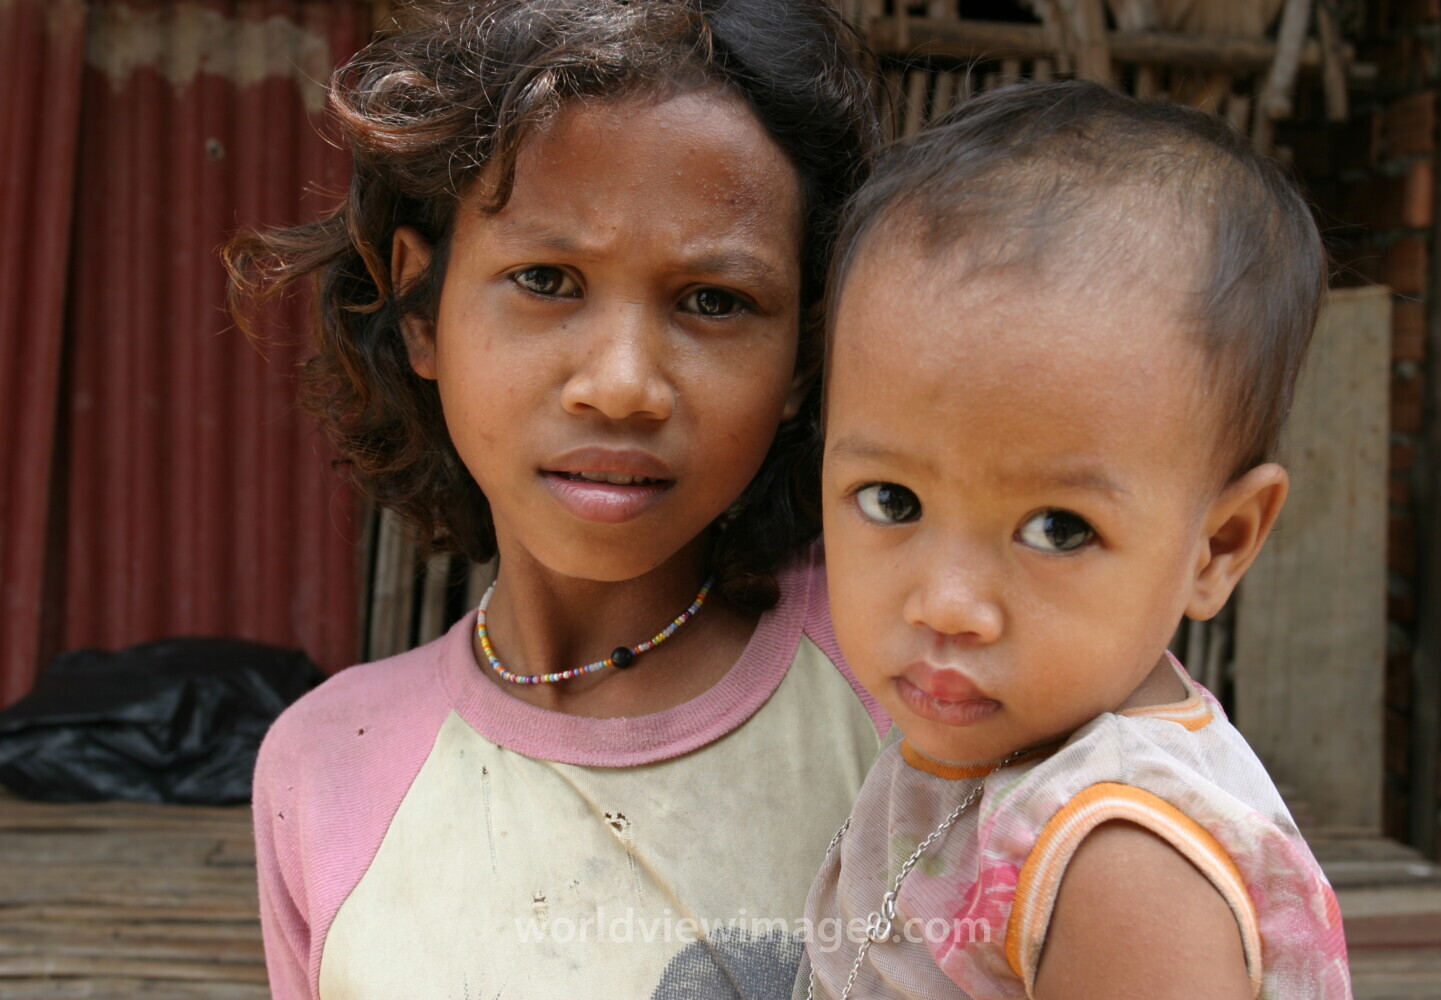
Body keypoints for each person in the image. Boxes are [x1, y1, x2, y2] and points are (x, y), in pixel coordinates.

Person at [224, 2, 889, 997]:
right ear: (421, 309)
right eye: (545, 278)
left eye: (714, 300)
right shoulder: (328, 771)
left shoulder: (924, 690)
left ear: (803, 351)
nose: (621, 384)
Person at [801, 80, 1352, 999]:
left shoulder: (1120, 862)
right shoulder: (1012, 743)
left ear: (1219, 545)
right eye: (893, 499)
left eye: (1058, 529)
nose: (946, 602)